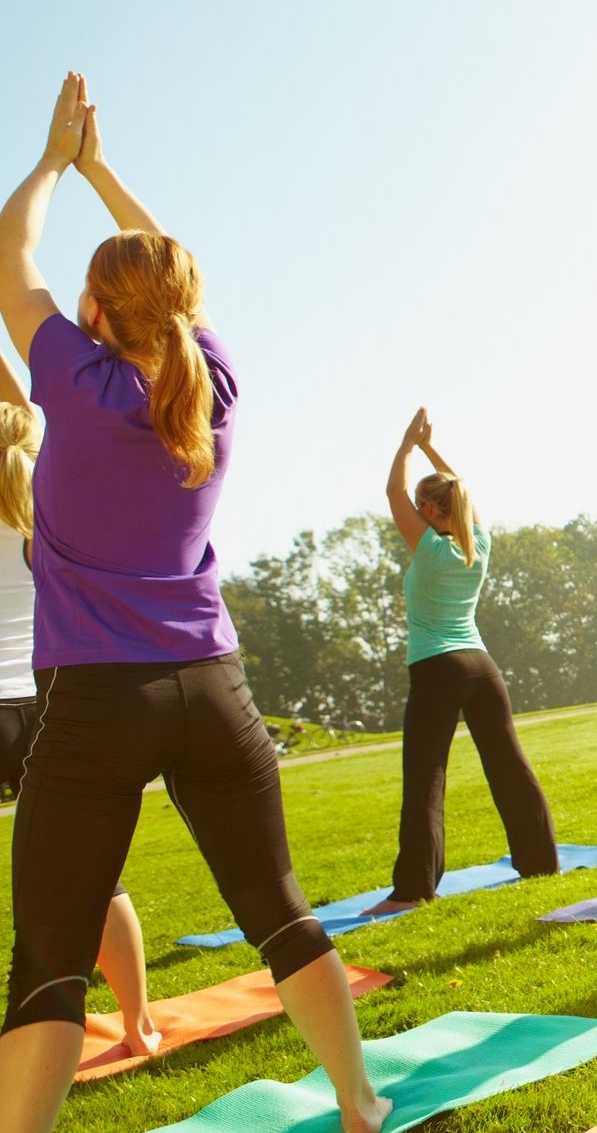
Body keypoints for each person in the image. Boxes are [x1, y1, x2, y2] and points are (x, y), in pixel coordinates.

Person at [0, 73, 389, 1133]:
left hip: (95, 705)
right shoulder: (209, 380)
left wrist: (50, 161)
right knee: (279, 909)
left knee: (46, 953)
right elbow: (175, 273)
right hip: (212, 689)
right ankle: (360, 1101)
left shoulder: (74, 382)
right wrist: (104, 170)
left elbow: (8, 251)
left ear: (92, 313)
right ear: (180, 307)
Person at [0, 346, 162, 1058]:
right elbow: (26, 405)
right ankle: (138, 1026)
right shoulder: (47, 491)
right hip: (47, 702)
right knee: (97, 877)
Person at [364, 408, 558, 917]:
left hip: (438, 668)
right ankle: (541, 863)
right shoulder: (480, 544)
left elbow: (392, 494)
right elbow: (460, 494)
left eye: (422, 503)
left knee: (425, 778)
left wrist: (407, 444)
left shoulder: (428, 548)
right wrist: (429, 452)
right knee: (510, 768)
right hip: (482, 667)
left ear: (428, 509)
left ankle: (412, 890)